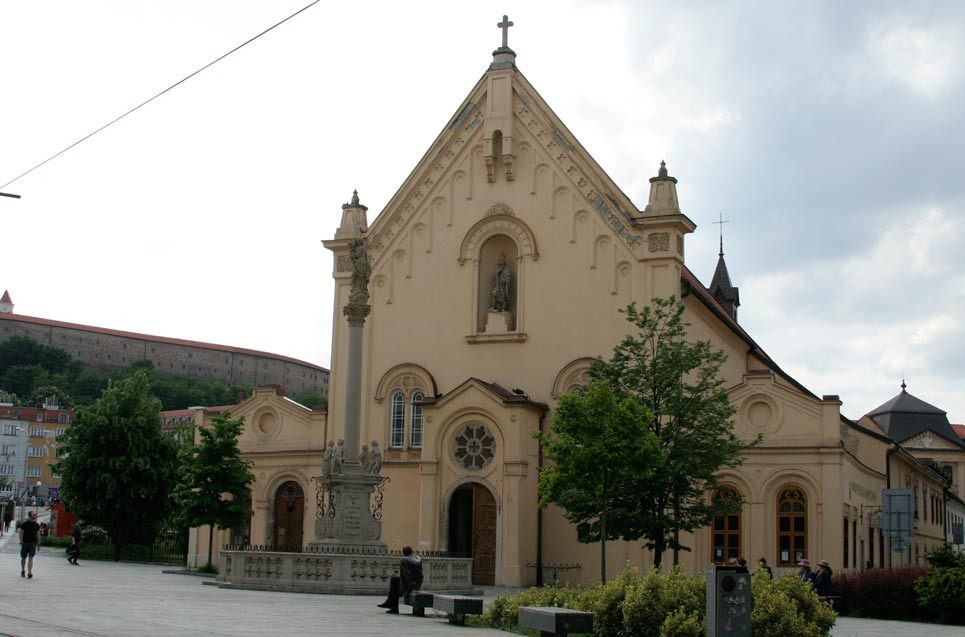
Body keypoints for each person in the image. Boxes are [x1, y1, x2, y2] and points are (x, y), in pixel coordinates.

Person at [377, 546, 424, 614]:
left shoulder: (404, 561)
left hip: (410, 585)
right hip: (417, 583)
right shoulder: (418, 559)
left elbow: (406, 576)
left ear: (403, 553)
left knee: (394, 585)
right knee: (395, 580)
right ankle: (390, 604)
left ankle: (393, 607)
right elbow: (416, 574)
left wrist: (411, 587)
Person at [19, 510, 41, 578]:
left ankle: (29, 572)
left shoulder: (36, 525)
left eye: (35, 514)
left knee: (31, 558)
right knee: (23, 557)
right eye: (33, 514)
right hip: (25, 543)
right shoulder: (24, 524)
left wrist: (38, 544)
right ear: (30, 515)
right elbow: (21, 533)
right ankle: (23, 570)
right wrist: (22, 542)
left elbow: (38, 535)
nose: (35, 515)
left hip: (33, 543)